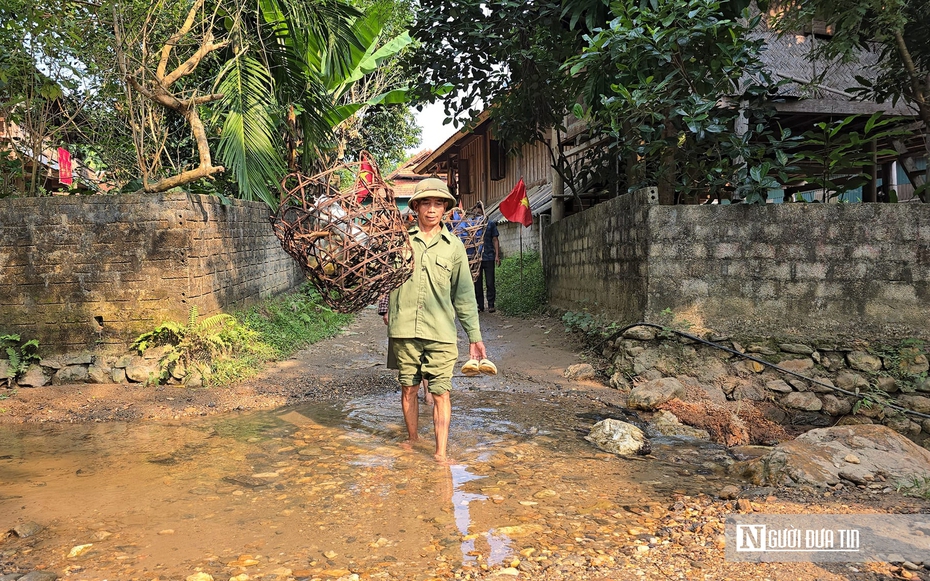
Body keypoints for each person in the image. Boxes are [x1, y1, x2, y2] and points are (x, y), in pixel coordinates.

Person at [385, 177, 487, 463]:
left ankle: (441, 453)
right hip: (405, 329)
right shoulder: (400, 242)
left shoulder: (453, 247)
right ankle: (413, 439)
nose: (432, 209)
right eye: (426, 203)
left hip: (441, 333)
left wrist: (474, 338)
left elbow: (465, 295)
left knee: (441, 392)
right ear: (415, 207)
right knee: (409, 387)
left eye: (438, 203)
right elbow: (384, 280)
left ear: (446, 209)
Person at [474, 217, 500, 313]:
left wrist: (497, 255)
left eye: (480, 213)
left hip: (489, 257)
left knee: (490, 282)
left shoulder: (490, 224)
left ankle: (491, 304)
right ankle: (480, 305)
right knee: (477, 283)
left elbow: (495, 239)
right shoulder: (472, 225)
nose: (478, 216)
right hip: (476, 259)